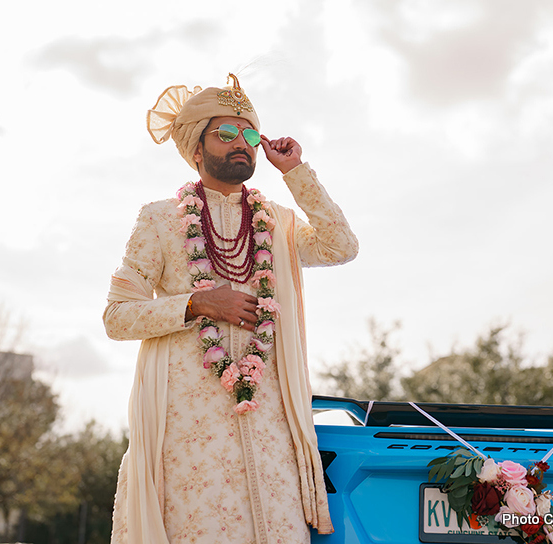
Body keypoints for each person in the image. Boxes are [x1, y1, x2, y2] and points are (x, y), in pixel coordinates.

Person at [104, 74, 358, 544]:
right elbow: (117, 316)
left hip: (270, 427)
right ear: (196, 148)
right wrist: (198, 302)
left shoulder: (277, 223)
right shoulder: (159, 220)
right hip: (187, 430)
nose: (241, 143)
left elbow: (340, 246)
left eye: (250, 135)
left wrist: (296, 172)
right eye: (225, 134)